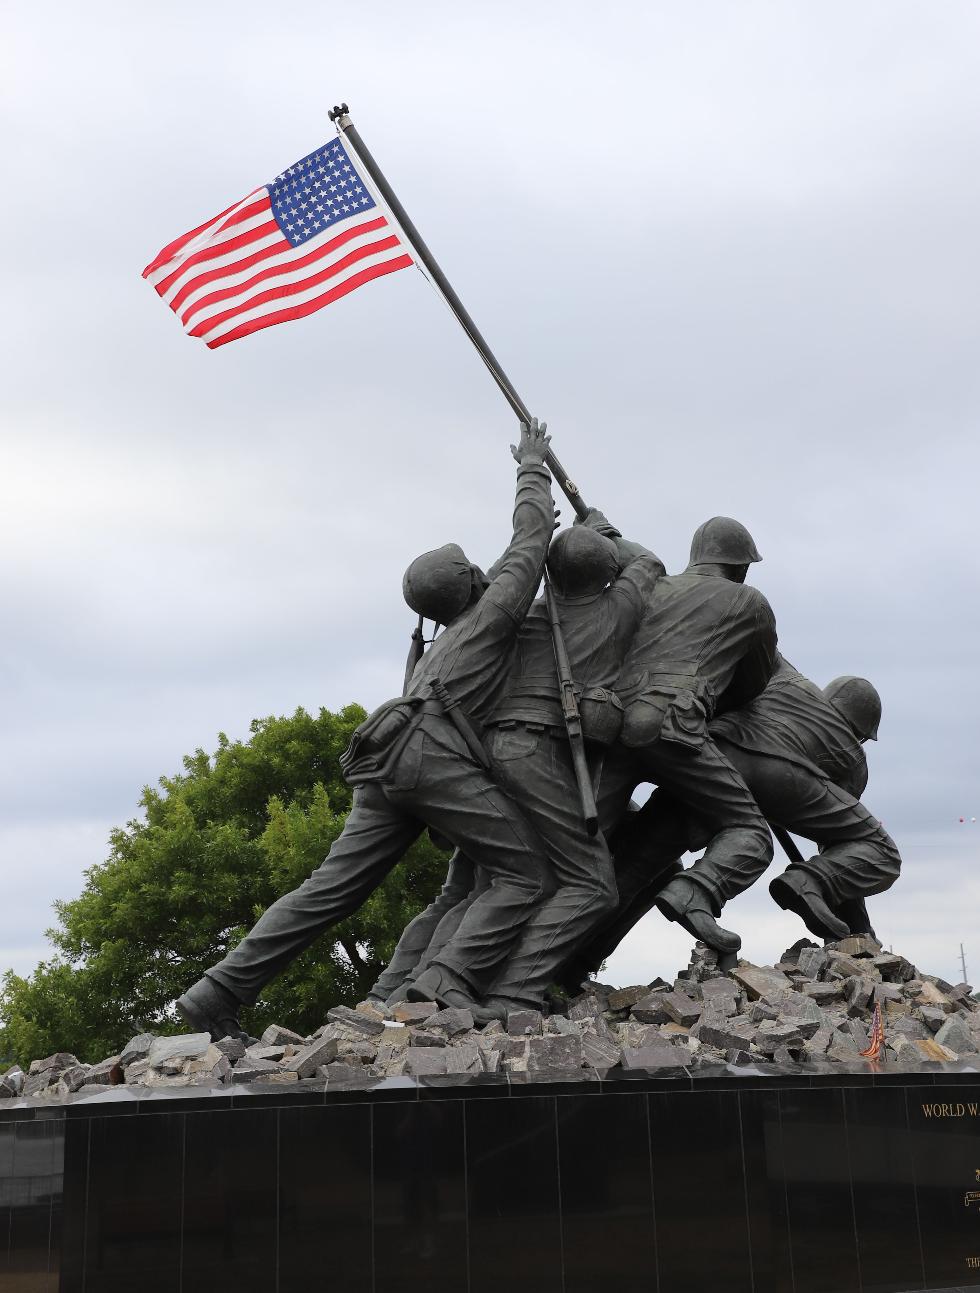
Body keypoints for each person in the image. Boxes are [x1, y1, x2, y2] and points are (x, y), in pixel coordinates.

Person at [176, 419, 556, 1039]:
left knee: (330, 888)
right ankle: (445, 985)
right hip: (431, 761)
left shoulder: (433, 648)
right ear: (471, 586)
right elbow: (528, 550)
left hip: (389, 760)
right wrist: (532, 469)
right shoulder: (487, 621)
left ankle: (219, 989)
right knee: (528, 874)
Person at [389, 509, 665, 1016]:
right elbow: (648, 563)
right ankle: (503, 988)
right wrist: (603, 530)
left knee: (477, 885)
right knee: (592, 885)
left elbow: (493, 582)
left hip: (484, 757)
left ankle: (397, 991)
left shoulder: (524, 616)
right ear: (604, 571)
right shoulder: (617, 609)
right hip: (536, 753)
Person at [568, 656, 900, 976]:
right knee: (879, 850)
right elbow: (839, 847)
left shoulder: (789, 680)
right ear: (859, 731)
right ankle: (789, 883)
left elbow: (759, 651)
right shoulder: (854, 760)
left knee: (633, 867)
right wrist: (857, 926)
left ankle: (570, 965)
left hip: (707, 757)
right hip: (782, 778)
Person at [610, 516, 778, 955]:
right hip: (673, 727)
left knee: (585, 849)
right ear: (740, 564)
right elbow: (752, 684)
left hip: (608, 724)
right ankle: (695, 891)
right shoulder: (750, 602)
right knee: (751, 832)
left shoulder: (651, 586)